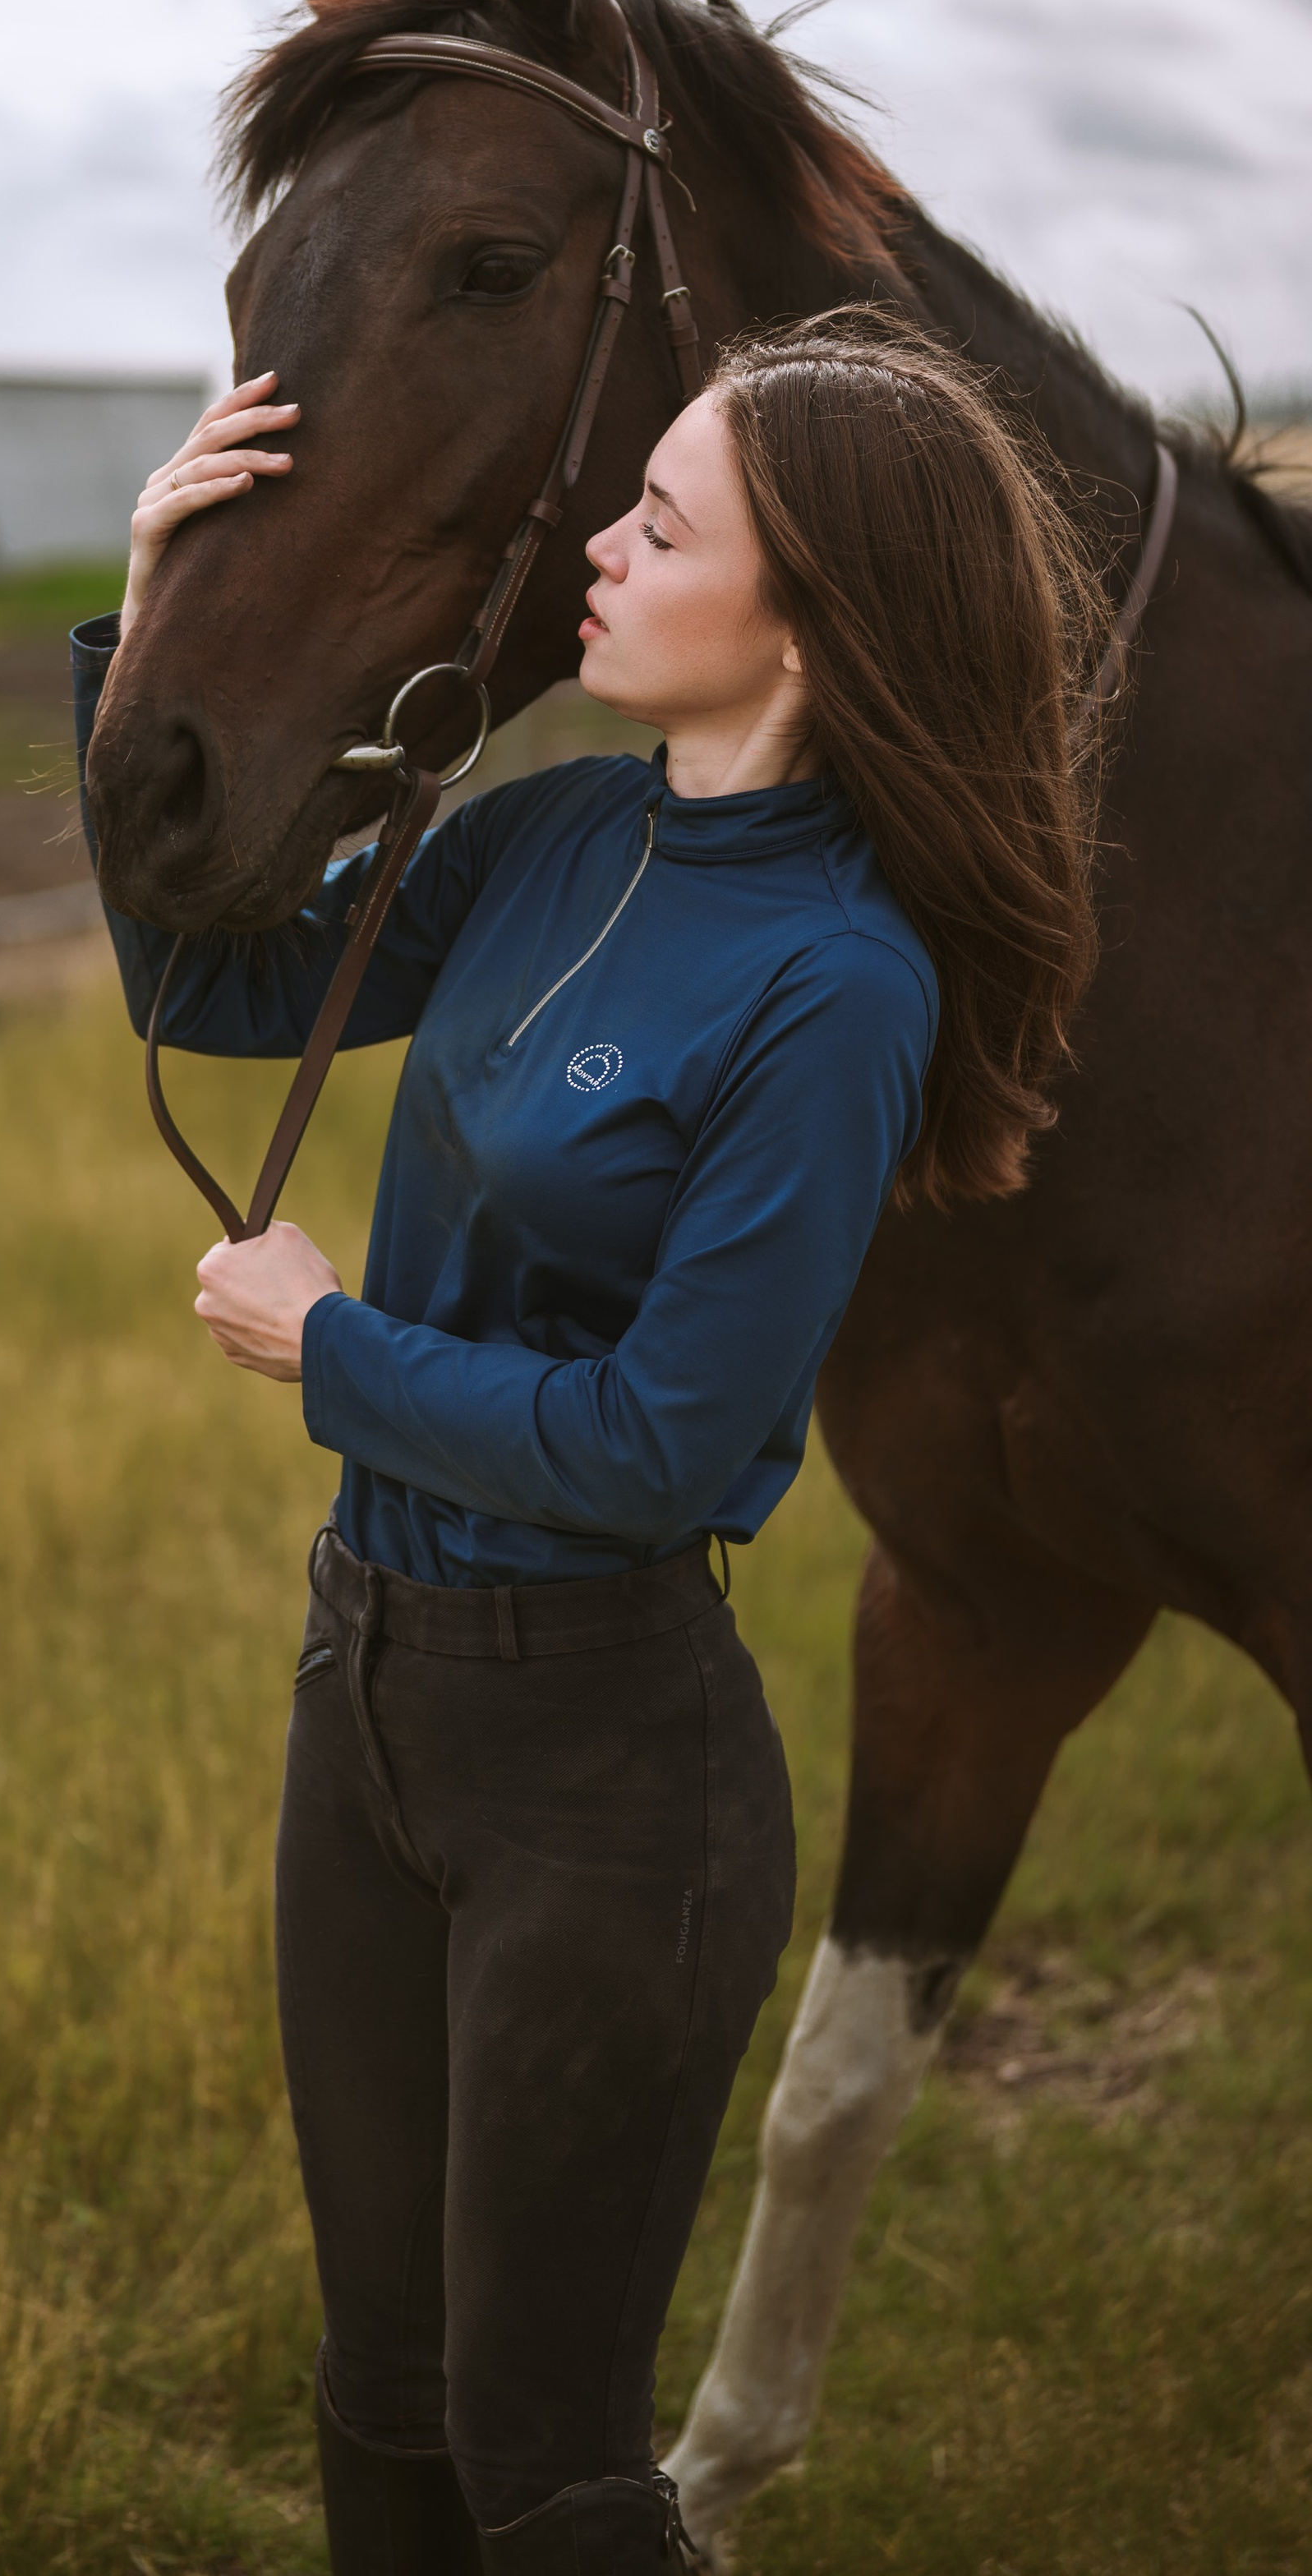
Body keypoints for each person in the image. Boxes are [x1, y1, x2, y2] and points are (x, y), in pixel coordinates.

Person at [71, 311, 1107, 2574]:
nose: (599, 554)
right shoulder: (551, 836)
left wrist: (332, 1343)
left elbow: (663, 1447)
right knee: (375, 2393)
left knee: (542, 2463)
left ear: (812, 614)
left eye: (660, 521)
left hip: (609, 1778)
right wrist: (148, 601)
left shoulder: (840, 987)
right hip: (365, 1702)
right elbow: (211, 988)